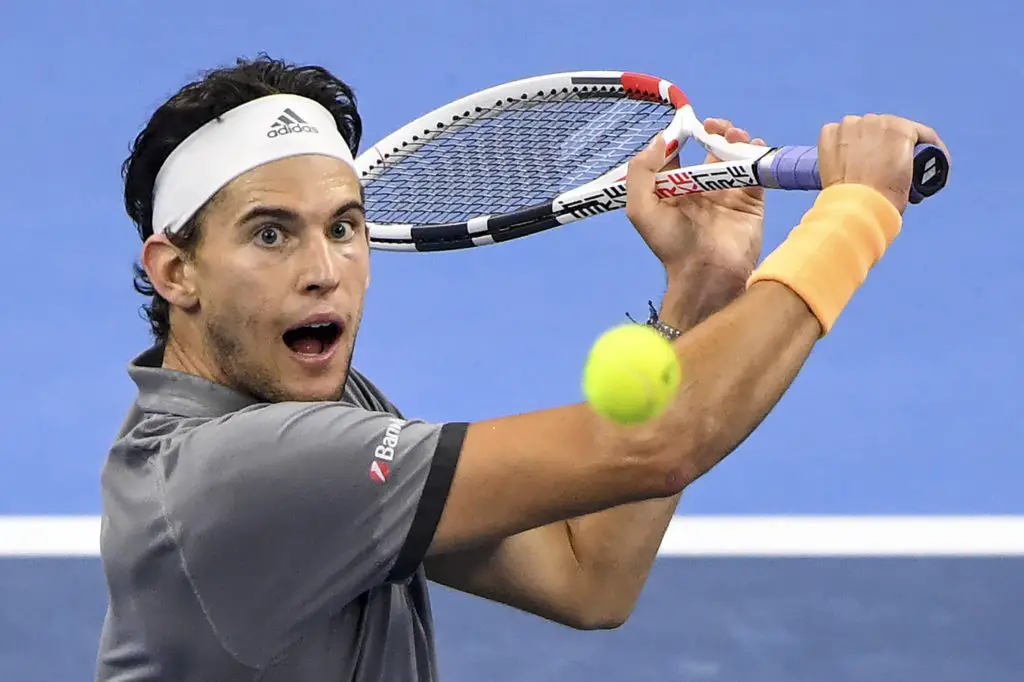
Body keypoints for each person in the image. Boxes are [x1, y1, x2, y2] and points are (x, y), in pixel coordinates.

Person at [95, 55, 948, 682]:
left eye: (344, 226)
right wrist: (857, 211)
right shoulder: (242, 472)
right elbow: (660, 443)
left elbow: (588, 575)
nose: (324, 270)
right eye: (270, 234)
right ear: (177, 272)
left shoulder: (309, 404)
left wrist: (701, 290)